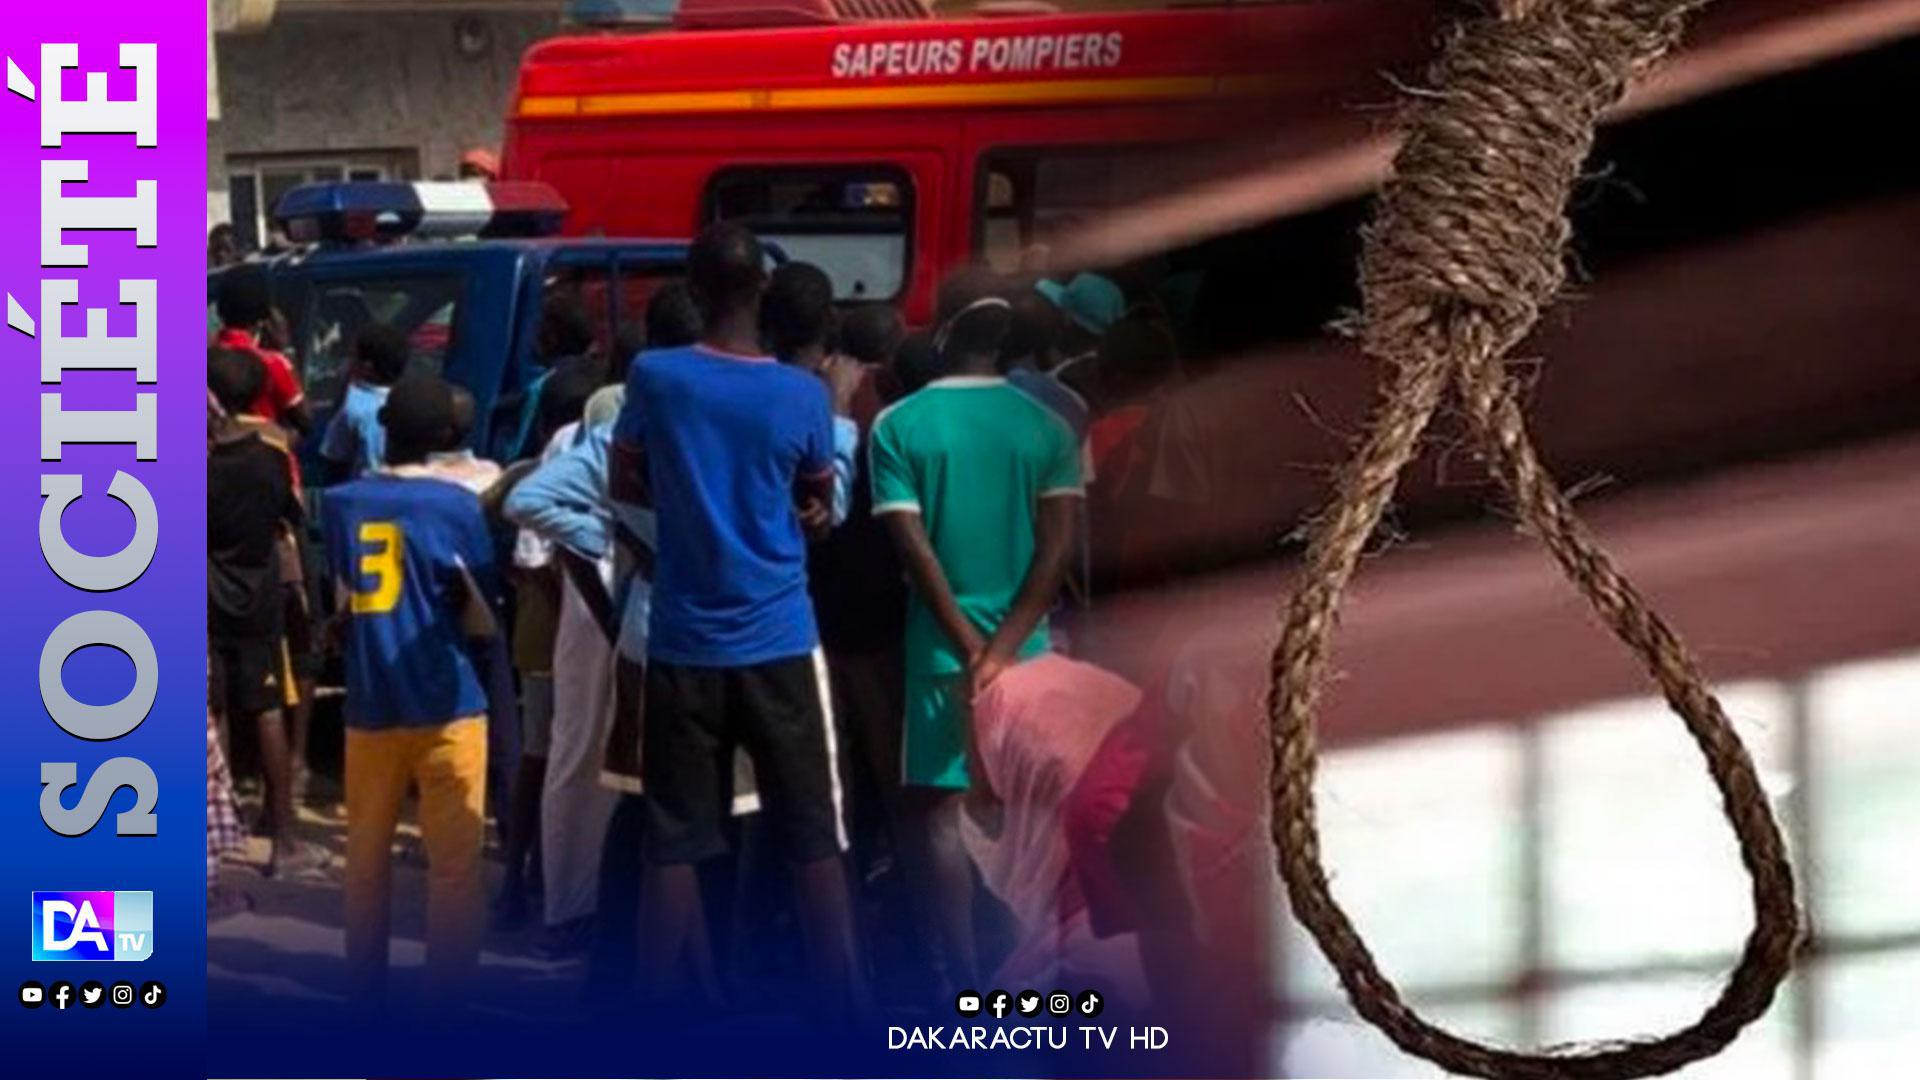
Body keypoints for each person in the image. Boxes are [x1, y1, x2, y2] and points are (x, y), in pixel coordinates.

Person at [610, 222, 867, 1022]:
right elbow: (817, 501)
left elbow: (626, 476)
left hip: (683, 637)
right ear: (761, 287)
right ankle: (846, 1013)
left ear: (692, 287)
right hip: (779, 638)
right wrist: (800, 515)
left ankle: (657, 1021)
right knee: (812, 834)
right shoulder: (802, 394)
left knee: (676, 838)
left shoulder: (655, 377)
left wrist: (690, 510)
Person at [868, 284, 1084, 993]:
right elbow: (1056, 552)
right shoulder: (1049, 427)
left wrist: (965, 648)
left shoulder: (898, 425)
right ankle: (1028, 977)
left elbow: (915, 551)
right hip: (1029, 655)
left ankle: (959, 980)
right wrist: (1000, 649)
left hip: (939, 655)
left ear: (943, 334)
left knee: (943, 817)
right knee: (1025, 818)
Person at [323, 374, 501, 1010]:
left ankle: (364, 990)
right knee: (455, 870)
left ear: (384, 426)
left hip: (371, 703)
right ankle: (447, 1002)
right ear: (444, 439)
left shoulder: (341, 503)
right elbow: (482, 608)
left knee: (366, 862)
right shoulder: (454, 506)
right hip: (447, 699)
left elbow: (346, 592)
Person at [208, 349, 326, 881]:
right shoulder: (269, 457)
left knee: (213, 714)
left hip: (203, 597)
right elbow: (291, 516)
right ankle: (285, 839)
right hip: (258, 599)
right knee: (268, 709)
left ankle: (220, 828)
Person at [213, 264, 310, 436]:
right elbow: (305, 420)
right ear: (266, 315)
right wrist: (286, 349)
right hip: (266, 457)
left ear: (221, 310)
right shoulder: (272, 363)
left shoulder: (207, 357)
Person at [319, 323, 409, 482]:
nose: (347, 362)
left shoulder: (353, 407)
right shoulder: (411, 403)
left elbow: (334, 461)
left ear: (366, 367)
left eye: (352, 356)